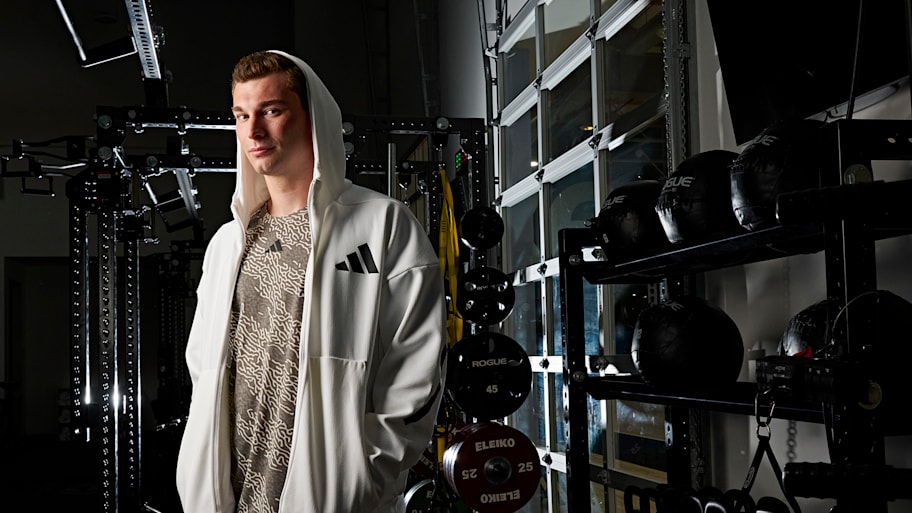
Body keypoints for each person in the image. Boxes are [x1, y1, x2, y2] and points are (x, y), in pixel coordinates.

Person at [175, 50, 448, 513]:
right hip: (228, 494)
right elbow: (203, 364)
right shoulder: (227, 243)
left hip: (331, 494)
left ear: (312, 118)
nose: (253, 132)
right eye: (242, 116)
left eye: (272, 111)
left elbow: (416, 363)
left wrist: (365, 469)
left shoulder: (380, 225)